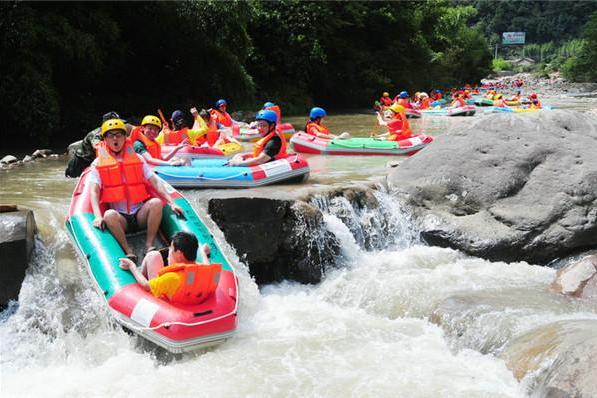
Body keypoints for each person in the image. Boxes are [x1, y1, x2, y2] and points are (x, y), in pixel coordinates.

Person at [89, 118, 184, 261]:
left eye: (119, 135)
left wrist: (171, 202)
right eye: (111, 135)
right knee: (108, 215)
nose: (115, 139)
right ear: (105, 140)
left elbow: (155, 181)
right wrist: (97, 215)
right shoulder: (97, 163)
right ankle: (127, 249)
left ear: (125, 137)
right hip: (121, 219)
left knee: (156, 203)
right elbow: (94, 191)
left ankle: (149, 244)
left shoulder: (138, 158)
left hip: (139, 214)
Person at [119, 231, 221, 305]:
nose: (169, 250)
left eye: (171, 248)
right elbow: (207, 265)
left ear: (179, 253)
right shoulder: (204, 270)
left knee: (153, 255)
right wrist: (203, 252)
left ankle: (141, 270)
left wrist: (132, 266)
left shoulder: (172, 278)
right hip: (190, 299)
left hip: (166, 302)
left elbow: (146, 286)